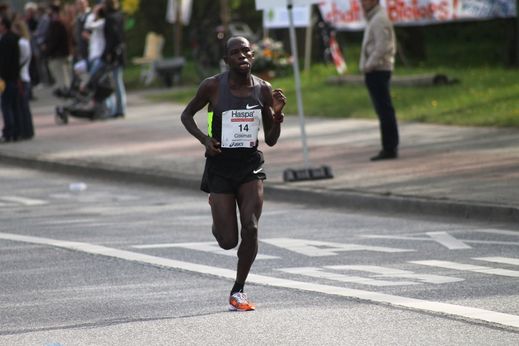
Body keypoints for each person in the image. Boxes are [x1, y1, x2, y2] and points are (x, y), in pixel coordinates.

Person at [181, 36, 286, 311]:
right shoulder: (213, 86)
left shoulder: (263, 89)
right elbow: (186, 115)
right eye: (235, 52)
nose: (242, 56)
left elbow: (272, 139)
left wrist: (276, 116)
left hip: (250, 165)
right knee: (228, 241)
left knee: (250, 226)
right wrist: (205, 140)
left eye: (246, 51)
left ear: (253, 56)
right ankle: (218, 211)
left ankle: (238, 289)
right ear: (227, 59)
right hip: (220, 166)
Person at [359, 0, 399, 161]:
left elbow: (383, 46)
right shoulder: (373, 18)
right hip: (375, 70)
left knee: (384, 110)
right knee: (382, 110)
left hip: (378, 70)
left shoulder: (379, 19)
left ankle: (390, 147)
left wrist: (370, 65)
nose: (363, 3)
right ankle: (388, 145)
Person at [102, 0, 126, 118]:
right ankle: (120, 108)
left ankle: (118, 109)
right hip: (119, 53)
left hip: (113, 54)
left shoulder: (110, 18)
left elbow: (111, 38)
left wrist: (107, 53)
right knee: (118, 81)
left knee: (115, 82)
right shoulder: (119, 15)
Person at [12, 18, 35, 140]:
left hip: (21, 77)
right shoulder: (26, 42)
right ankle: (28, 130)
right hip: (25, 76)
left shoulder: (20, 43)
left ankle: (25, 131)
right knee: (24, 107)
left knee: (22, 107)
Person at [0, 14, 21, 143]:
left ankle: (9, 132)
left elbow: (4, 61)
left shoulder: (5, 41)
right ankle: (16, 131)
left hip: (7, 78)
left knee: (6, 106)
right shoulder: (14, 38)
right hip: (14, 77)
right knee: (14, 106)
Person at [44, 4, 71, 97]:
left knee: (62, 74)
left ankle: (65, 90)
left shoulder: (58, 24)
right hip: (58, 54)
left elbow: (55, 40)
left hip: (59, 54)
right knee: (61, 74)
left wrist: (48, 51)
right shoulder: (56, 24)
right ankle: (64, 89)